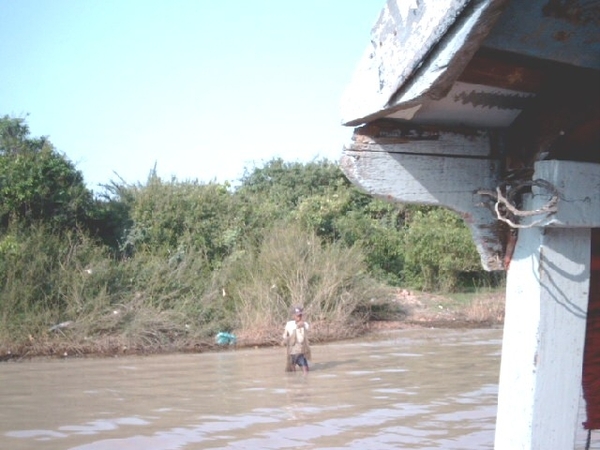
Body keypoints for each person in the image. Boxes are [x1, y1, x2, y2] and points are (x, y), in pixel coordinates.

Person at [282, 306, 311, 374]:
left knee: (305, 368)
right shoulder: (289, 324)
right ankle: (295, 379)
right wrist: (285, 340)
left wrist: (300, 326)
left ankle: (301, 380)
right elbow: (285, 335)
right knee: (294, 366)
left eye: (300, 315)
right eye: (297, 315)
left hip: (301, 349)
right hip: (292, 350)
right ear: (293, 316)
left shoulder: (305, 324)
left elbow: (304, 334)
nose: (299, 317)